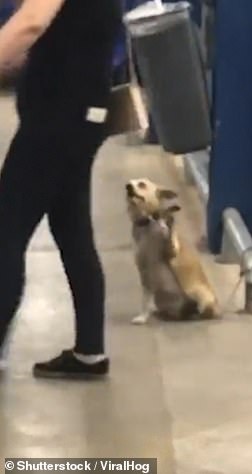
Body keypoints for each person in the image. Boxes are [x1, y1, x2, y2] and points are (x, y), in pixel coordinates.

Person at [0, 0, 122, 379]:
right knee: (71, 229)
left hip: (58, 118)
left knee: (7, 228)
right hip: (80, 113)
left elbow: (30, 23)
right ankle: (90, 351)